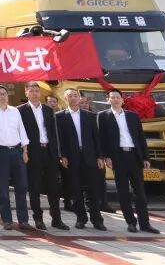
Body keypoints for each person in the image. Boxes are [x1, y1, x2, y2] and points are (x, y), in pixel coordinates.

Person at [97, 89, 159, 234]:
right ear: (108, 100)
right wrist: (106, 156)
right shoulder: (103, 116)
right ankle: (131, 222)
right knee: (123, 192)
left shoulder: (133, 116)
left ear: (122, 99)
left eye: (118, 97)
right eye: (112, 97)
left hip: (134, 156)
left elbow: (140, 137)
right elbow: (101, 139)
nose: (115, 100)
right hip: (118, 157)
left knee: (140, 193)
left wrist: (145, 157)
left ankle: (145, 224)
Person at [18, 82, 68, 231]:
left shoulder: (47, 109)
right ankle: (38, 218)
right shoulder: (20, 111)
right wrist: (24, 151)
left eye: (36, 91)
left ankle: (56, 219)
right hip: (33, 152)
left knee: (53, 187)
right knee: (35, 187)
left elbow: (53, 132)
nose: (34, 93)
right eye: (31, 91)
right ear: (26, 92)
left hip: (49, 151)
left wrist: (58, 153)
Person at [55, 88, 107, 230]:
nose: (73, 98)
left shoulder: (90, 116)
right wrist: (62, 156)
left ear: (79, 98)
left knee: (93, 189)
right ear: (65, 98)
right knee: (75, 189)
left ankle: (97, 220)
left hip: (90, 156)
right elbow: (59, 138)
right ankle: (81, 218)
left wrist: (100, 156)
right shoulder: (59, 117)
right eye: (70, 96)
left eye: (75, 95)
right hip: (71, 157)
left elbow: (96, 137)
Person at [0, 84, 29, 230]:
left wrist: (25, 151)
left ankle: (23, 220)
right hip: (0, 152)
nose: (2, 96)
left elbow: (22, 130)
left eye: (4, 93)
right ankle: (7, 220)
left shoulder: (15, 111)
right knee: (3, 188)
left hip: (17, 151)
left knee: (22, 186)